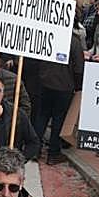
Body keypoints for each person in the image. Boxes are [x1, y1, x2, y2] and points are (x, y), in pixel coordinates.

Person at [34, 26, 84, 164]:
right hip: (64, 85)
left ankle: (35, 150)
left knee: (42, 116)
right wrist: (78, 86)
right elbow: (79, 67)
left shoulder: (49, 35)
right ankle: (53, 153)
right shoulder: (74, 41)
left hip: (45, 81)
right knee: (58, 119)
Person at [0, 73, 40, 159]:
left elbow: (33, 142)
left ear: (3, 92)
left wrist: (19, 160)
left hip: (7, 165)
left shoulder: (16, 113)